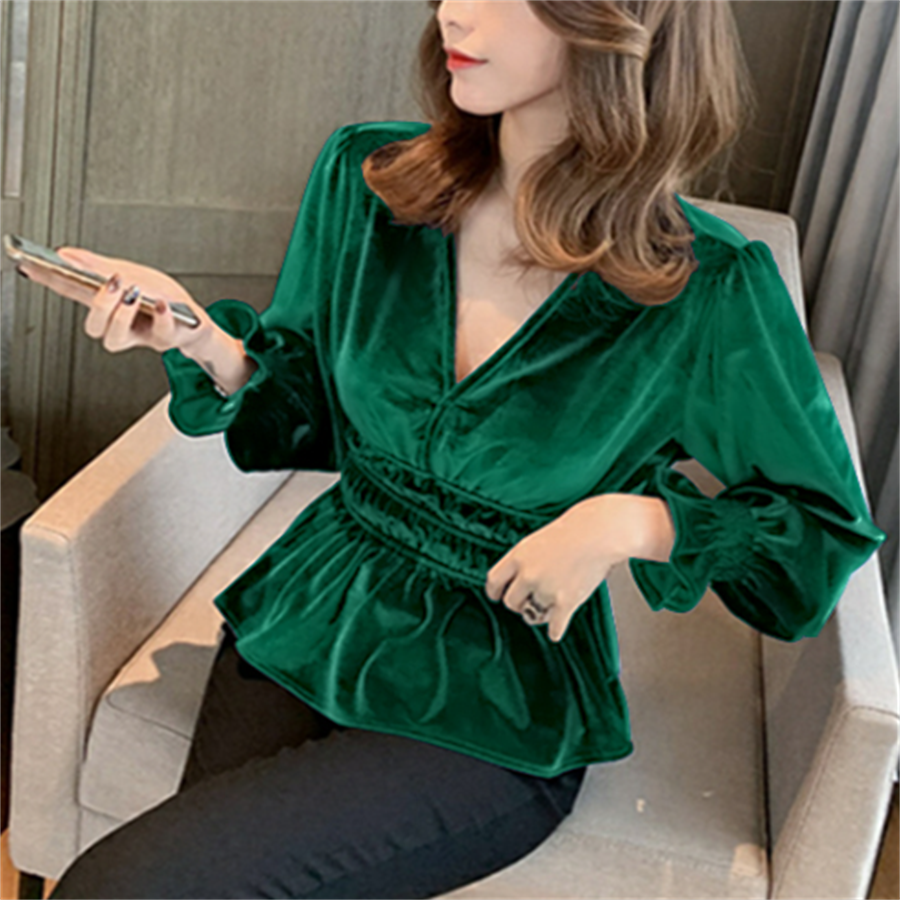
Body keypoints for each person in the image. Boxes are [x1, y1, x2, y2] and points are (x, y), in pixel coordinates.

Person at [17, 1, 886, 898]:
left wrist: (628, 523)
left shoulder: (705, 286)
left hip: (497, 692)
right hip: (314, 611)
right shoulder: (370, 181)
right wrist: (200, 340)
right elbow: (315, 413)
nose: (452, 11)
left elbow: (820, 530)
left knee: (121, 885)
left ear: (613, 24)